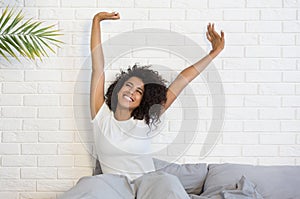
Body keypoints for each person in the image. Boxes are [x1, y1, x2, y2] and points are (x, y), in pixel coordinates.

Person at [59, 11, 224, 199]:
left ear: (142, 101)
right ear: (118, 88)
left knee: (168, 182)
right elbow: (97, 66)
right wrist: (96, 20)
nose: (131, 92)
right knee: (88, 187)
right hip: (114, 187)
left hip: (149, 184)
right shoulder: (101, 115)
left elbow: (181, 81)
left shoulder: (145, 121)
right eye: (128, 85)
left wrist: (214, 52)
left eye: (138, 91)